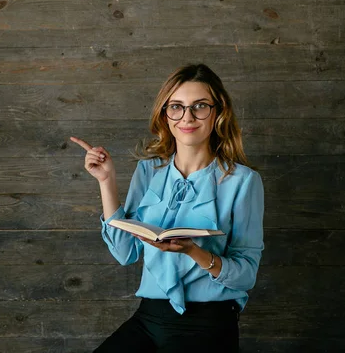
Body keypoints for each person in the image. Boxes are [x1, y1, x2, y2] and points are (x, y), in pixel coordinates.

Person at [70, 64, 264, 353]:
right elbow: (125, 253)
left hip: (208, 322)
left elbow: (246, 274)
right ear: (165, 114)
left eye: (200, 106)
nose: (187, 117)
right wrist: (107, 181)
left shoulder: (243, 181)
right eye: (177, 106)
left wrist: (193, 251)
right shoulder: (148, 171)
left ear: (218, 112)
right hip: (149, 318)